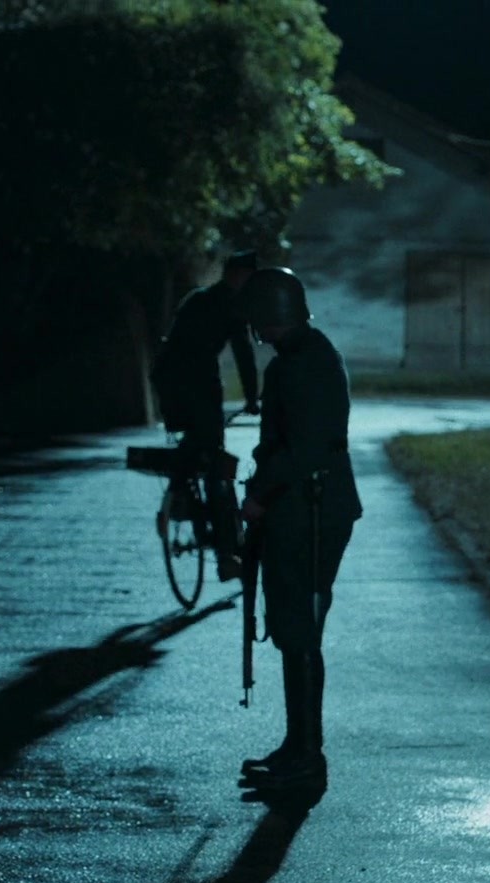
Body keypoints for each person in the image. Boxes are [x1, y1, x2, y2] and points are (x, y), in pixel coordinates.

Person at [235, 267, 361, 790]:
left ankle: (307, 756)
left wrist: (260, 496)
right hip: (306, 506)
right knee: (293, 630)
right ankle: (298, 745)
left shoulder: (304, 363)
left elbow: (303, 448)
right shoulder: (305, 355)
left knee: (300, 630)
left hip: (310, 509)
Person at [150, 251, 261, 581]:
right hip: (200, 386)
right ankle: (227, 554)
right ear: (239, 275)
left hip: (169, 384)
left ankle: (178, 491)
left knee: (191, 446)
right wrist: (252, 398)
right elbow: (243, 352)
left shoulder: (196, 298)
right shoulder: (233, 306)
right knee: (215, 466)